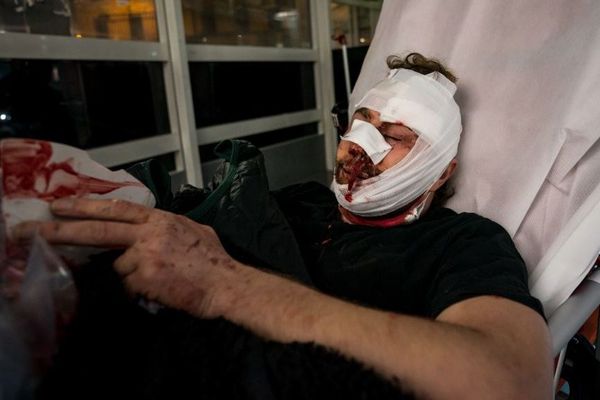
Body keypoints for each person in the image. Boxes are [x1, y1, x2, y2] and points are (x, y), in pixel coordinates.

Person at [12, 53, 553, 400]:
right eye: (361, 122)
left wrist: (225, 284)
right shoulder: (299, 201)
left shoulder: (461, 243)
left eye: (396, 136)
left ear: (441, 168)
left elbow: (513, 380)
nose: (359, 145)